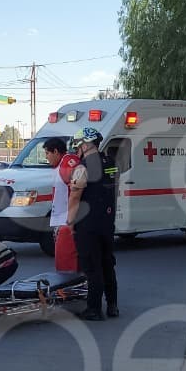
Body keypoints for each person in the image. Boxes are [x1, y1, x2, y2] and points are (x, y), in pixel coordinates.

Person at [67, 127, 118, 320]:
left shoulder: (82, 167)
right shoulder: (110, 162)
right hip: (107, 221)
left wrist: (70, 222)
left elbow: (75, 196)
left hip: (88, 224)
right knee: (107, 264)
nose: (77, 149)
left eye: (79, 144)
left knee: (92, 267)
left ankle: (94, 309)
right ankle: (113, 306)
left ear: (87, 144)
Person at [44, 136, 81, 273]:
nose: (46, 157)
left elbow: (76, 193)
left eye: (47, 153)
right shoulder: (60, 165)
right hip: (63, 221)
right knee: (63, 261)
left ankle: (69, 291)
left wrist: (69, 222)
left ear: (55, 151)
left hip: (67, 222)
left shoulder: (67, 164)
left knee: (66, 262)